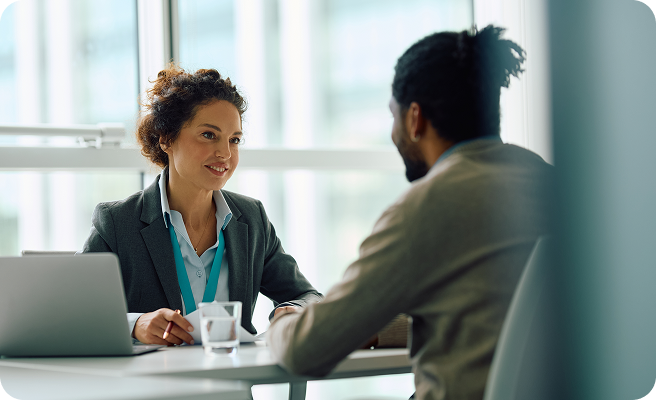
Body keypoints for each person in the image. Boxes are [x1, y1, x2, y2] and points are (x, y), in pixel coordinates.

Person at [267, 25, 554, 400]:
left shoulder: (425, 207)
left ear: (414, 118)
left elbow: (306, 351)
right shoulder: (555, 187)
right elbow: (493, 311)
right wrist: (375, 326)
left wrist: (286, 322)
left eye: (393, 116)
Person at [82, 65, 322, 346]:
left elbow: (308, 296)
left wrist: (290, 310)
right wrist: (135, 324)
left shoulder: (252, 218)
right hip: (153, 386)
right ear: (166, 138)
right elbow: (72, 309)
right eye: (209, 135)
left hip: (229, 385)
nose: (225, 154)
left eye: (234, 140)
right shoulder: (118, 222)